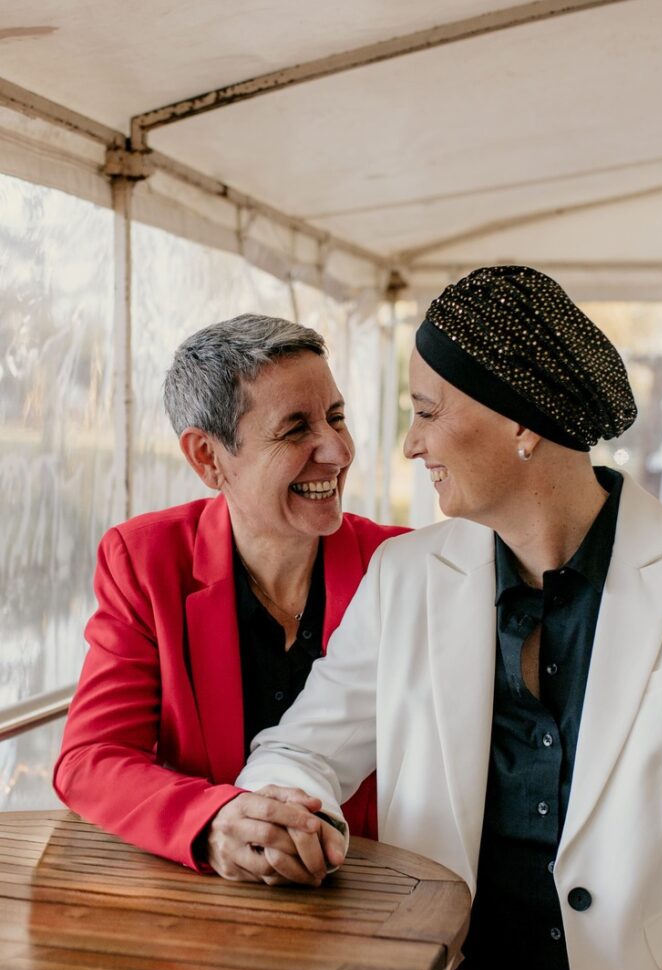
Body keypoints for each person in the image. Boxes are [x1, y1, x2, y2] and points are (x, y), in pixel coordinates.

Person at [237, 267, 662, 970]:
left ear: (523, 423)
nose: (409, 444)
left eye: (426, 412)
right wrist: (281, 806)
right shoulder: (407, 577)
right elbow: (302, 752)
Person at [53, 314, 404, 882]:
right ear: (207, 458)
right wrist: (210, 821)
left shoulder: (403, 565)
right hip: (204, 906)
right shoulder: (145, 561)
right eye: (295, 430)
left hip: (377, 891)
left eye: (336, 418)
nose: (338, 451)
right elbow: (90, 760)